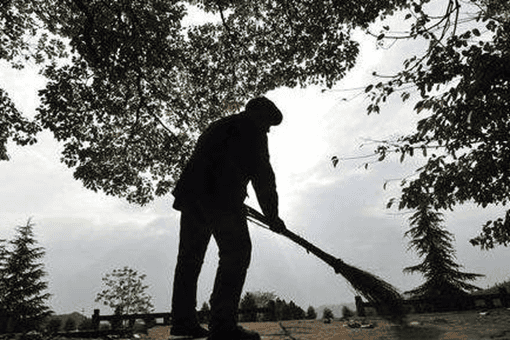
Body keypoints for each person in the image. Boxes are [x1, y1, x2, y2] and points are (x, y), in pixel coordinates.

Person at [170, 97, 286, 340]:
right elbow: (263, 176)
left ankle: (183, 323)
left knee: (189, 260)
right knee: (237, 252)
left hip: (192, 196)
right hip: (221, 197)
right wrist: (272, 215)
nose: (267, 130)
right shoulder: (252, 130)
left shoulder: (218, 125)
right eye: (268, 124)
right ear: (258, 114)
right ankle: (222, 325)